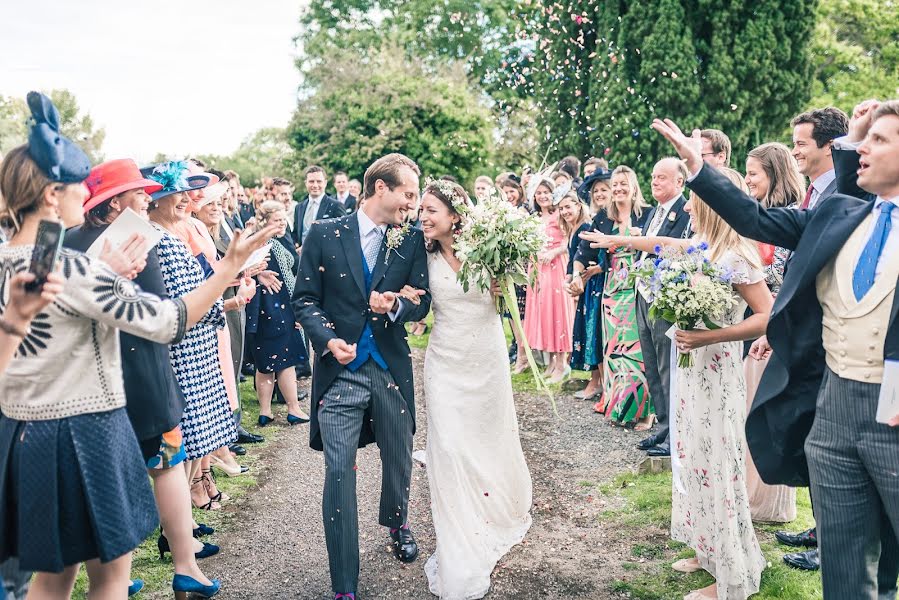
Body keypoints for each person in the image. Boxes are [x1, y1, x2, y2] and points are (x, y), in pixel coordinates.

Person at [0, 92, 276, 600]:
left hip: (24, 438)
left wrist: (101, 275)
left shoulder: (15, 260)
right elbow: (169, 320)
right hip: (84, 436)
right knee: (110, 577)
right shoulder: (70, 269)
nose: (80, 196)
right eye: (72, 187)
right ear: (48, 197)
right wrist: (229, 267)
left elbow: (48, 287)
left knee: (52, 578)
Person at [651, 99, 899, 600]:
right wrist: (697, 168)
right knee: (846, 567)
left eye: (877, 139)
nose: (857, 148)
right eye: (860, 139)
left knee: (888, 559)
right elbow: (752, 218)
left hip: (892, 416)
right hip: (831, 413)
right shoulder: (837, 213)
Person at [583, 167, 774, 599]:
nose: (687, 206)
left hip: (717, 372)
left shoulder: (737, 257)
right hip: (694, 372)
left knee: (718, 466)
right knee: (695, 461)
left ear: (712, 208)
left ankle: (730, 577)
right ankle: (707, 549)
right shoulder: (706, 249)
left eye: (694, 201)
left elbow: (767, 315)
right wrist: (619, 241)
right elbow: (663, 243)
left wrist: (710, 335)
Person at [64, 158, 222, 592]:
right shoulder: (138, 238)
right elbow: (156, 308)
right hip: (144, 376)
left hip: (92, 384)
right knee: (167, 469)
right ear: (115, 204)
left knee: (112, 480)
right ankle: (185, 567)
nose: (146, 197)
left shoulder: (66, 242)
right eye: (137, 192)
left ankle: (118, 576)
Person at [292, 153, 432, 600]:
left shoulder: (409, 240)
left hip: (389, 366)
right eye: (408, 194)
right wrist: (327, 340)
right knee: (338, 472)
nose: (413, 204)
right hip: (340, 373)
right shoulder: (323, 233)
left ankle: (397, 520)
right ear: (380, 189)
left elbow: (422, 300)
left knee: (398, 453)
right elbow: (305, 300)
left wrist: (395, 305)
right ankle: (343, 584)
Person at [397, 179, 532, 599]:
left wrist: (505, 288)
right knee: (450, 447)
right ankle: (457, 539)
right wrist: (404, 301)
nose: (423, 217)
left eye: (431, 211)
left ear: (455, 215)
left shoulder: (489, 246)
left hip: (487, 357)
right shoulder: (418, 252)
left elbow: (518, 297)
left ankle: (495, 507)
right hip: (446, 361)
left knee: (488, 438)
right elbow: (416, 302)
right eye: (420, 210)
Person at [146, 160, 240, 513]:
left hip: (196, 348)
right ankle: (177, 528)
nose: (186, 199)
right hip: (184, 353)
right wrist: (223, 299)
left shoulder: (171, 235)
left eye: (187, 193)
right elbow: (184, 305)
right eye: (176, 194)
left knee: (190, 448)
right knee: (182, 445)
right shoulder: (160, 240)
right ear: (154, 200)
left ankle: (181, 524)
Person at [634, 158, 692, 456]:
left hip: (665, 297)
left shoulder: (685, 212)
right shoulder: (654, 212)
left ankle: (675, 433)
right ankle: (663, 426)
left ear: (679, 182)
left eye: (662, 178)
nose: (655, 182)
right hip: (642, 294)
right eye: (653, 177)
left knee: (667, 365)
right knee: (652, 365)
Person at [593, 167, 652, 427]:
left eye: (623, 184)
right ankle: (617, 405)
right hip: (612, 291)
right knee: (615, 349)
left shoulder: (647, 215)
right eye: (614, 185)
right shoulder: (604, 219)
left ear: (633, 187)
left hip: (637, 288)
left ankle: (642, 411)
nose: (618, 189)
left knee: (636, 350)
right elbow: (589, 251)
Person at [245, 201, 311, 426]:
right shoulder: (268, 245)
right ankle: (294, 409)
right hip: (278, 307)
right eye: (277, 220)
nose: (282, 223)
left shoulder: (253, 243)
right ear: (265, 222)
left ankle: (265, 411)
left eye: (284, 219)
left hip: (259, 310)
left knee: (265, 364)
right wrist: (298, 310)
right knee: (286, 362)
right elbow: (287, 282)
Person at [569, 168, 615, 400]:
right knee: (593, 333)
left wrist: (600, 267)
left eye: (604, 189)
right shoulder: (596, 220)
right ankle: (598, 383)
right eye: (595, 191)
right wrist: (578, 275)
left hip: (616, 285)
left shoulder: (628, 217)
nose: (599, 194)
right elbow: (581, 254)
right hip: (594, 288)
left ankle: (611, 387)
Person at [524, 177, 575, 383]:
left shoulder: (559, 215)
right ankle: (552, 362)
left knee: (557, 312)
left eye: (546, 192)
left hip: (555, 267)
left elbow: (568, 240)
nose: (543, 196)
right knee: (544, 313)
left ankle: (562, 364)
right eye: (539, 193)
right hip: (538, 269)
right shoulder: (535, 218)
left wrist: (553, 252)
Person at [294, 166, 345, 248]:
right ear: (305, 183)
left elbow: (343, 233)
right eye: (311, 181)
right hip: (302, 258)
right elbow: (296, 233)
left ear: (325, 183)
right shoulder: (299, 207)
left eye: (319, 181)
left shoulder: (336, 206)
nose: (315, 185)